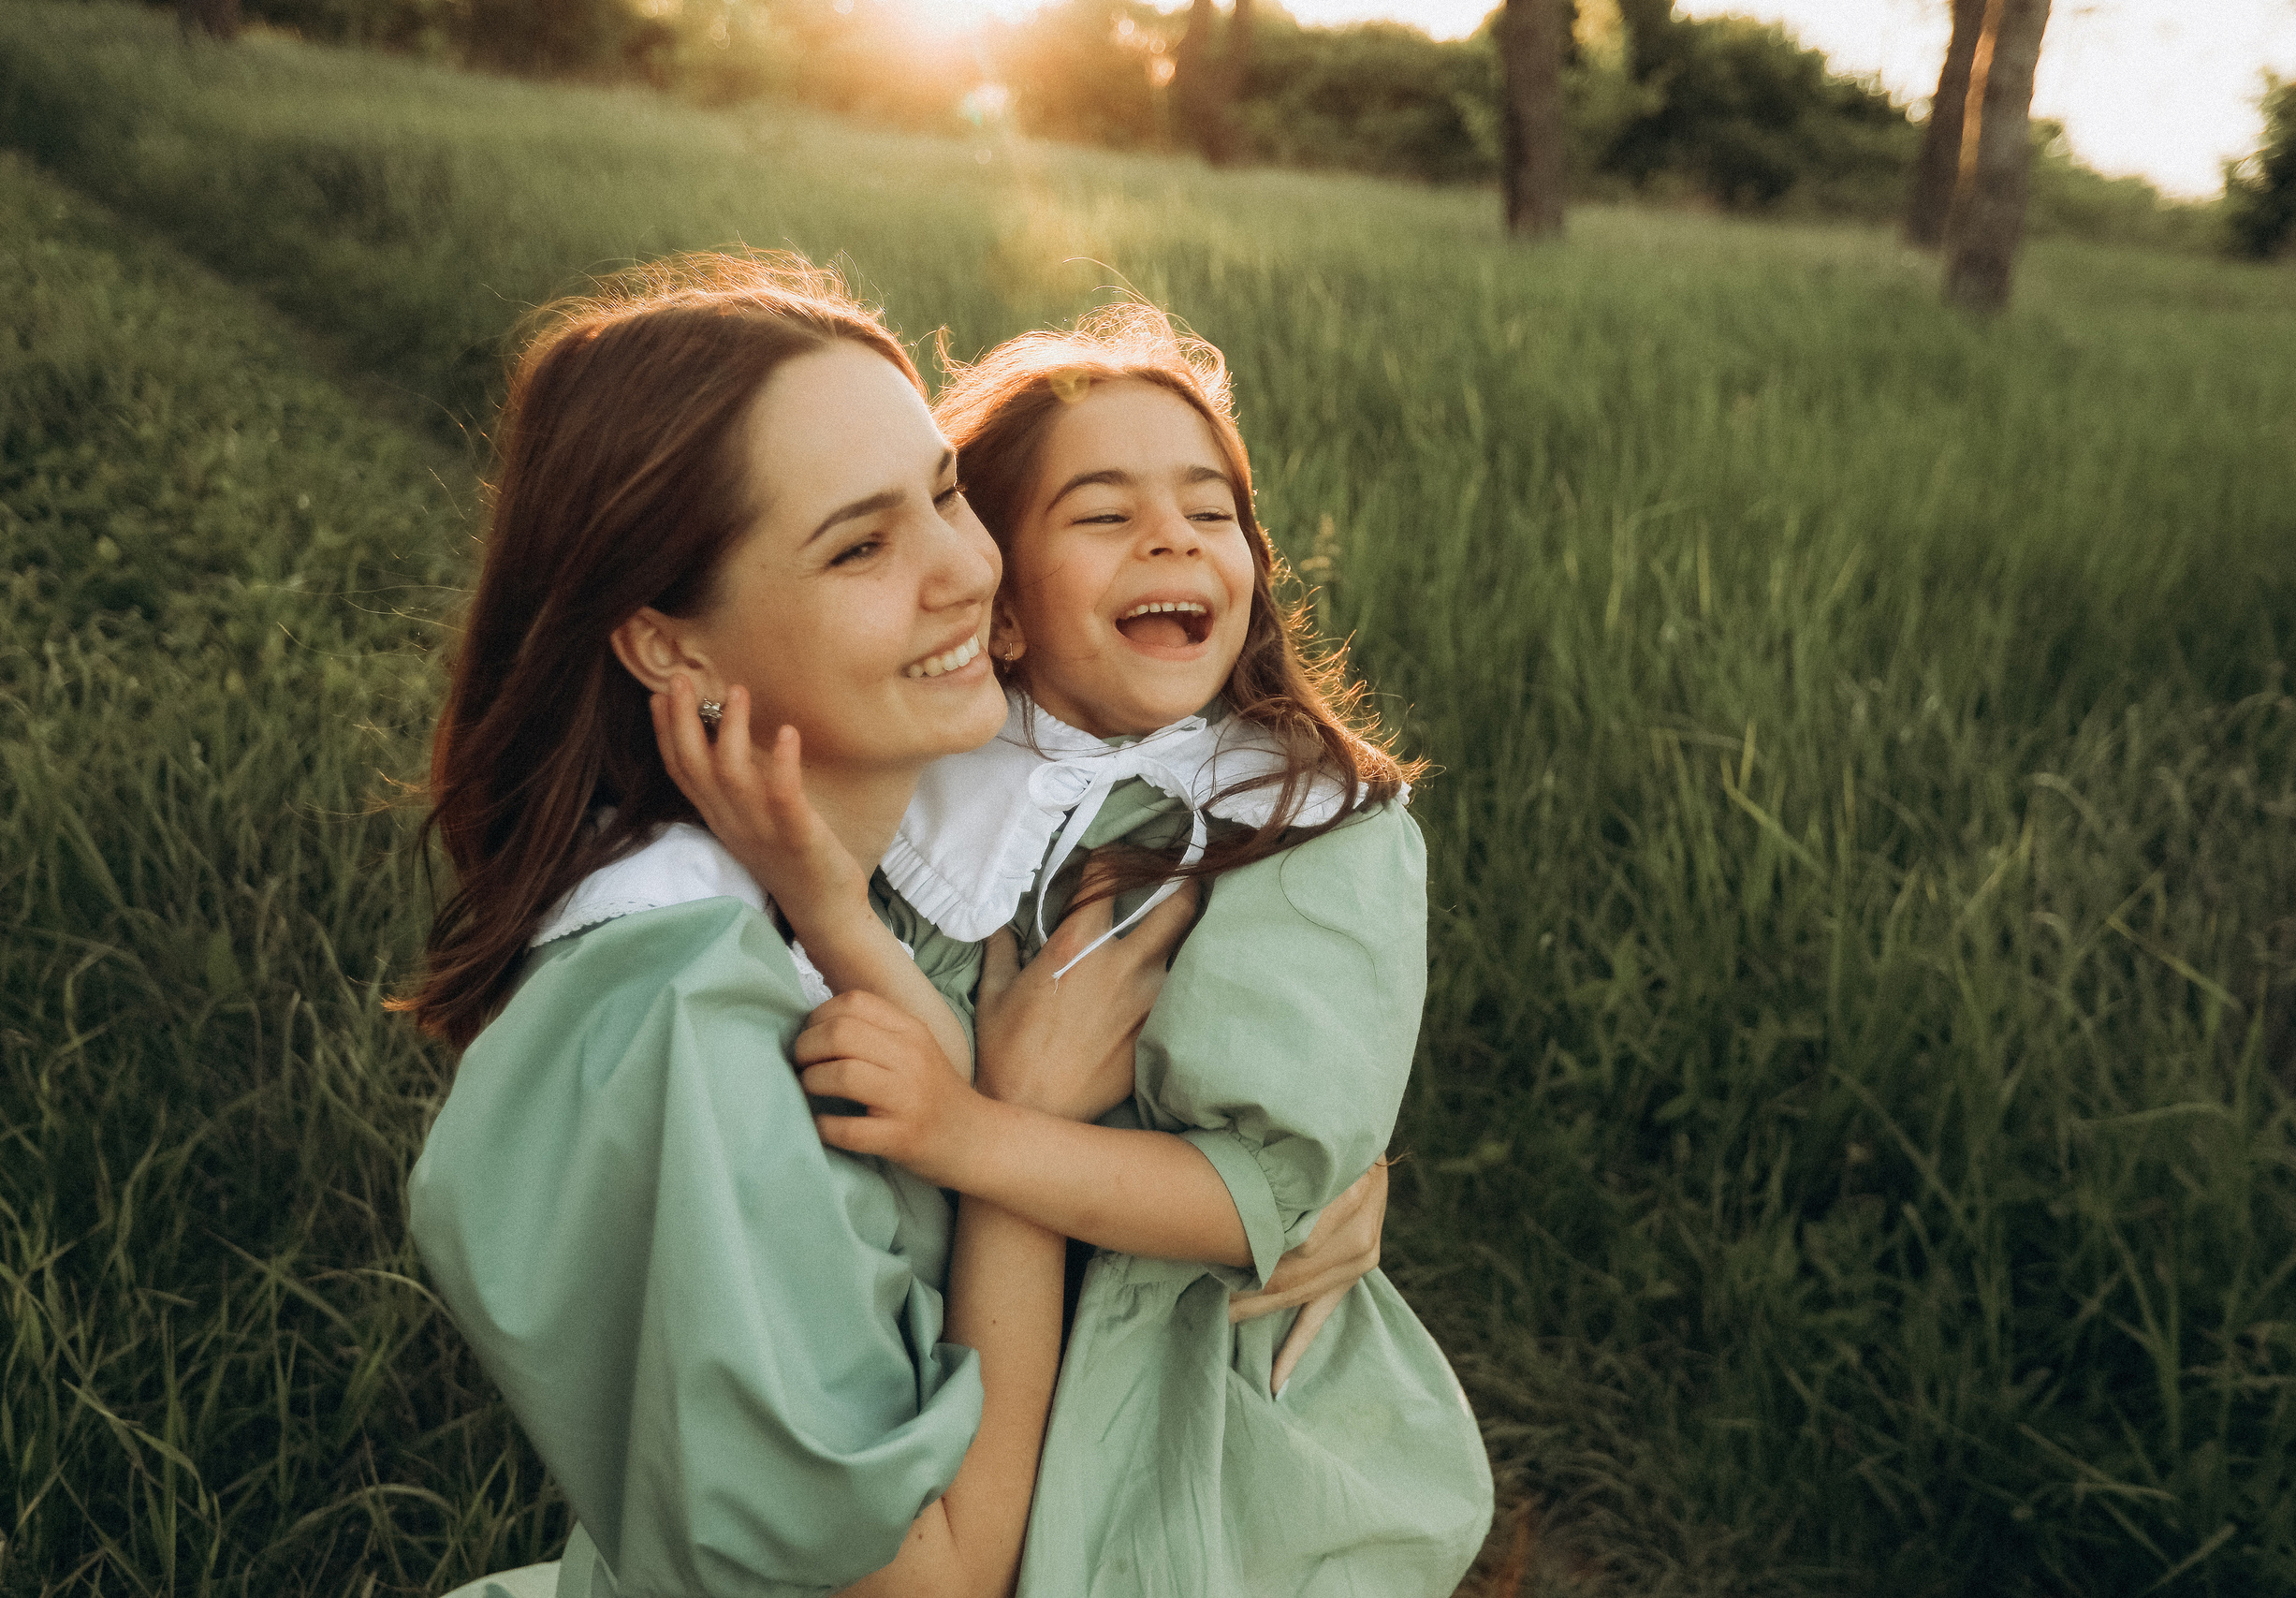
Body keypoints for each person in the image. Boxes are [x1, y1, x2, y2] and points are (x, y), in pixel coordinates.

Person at [396, 257, 1382, 1598]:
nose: (965, 574)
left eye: (942, 497)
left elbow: (1235, 1147)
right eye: (859, 545)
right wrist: (1019, 1146)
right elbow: (925, 1584)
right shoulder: (683, 1023)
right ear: (669, 648)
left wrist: (1287, 1186)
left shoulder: (867, 892)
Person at [666, 304, 1495, 1597]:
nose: (1170, 536)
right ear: (998, 604)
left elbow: (1260, 1195)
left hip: (1179, 1392)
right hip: (940, 1335)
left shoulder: (1304, 821)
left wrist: (969, 1133)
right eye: (1103, 515)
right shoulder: (927, 775)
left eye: (1209, 512)